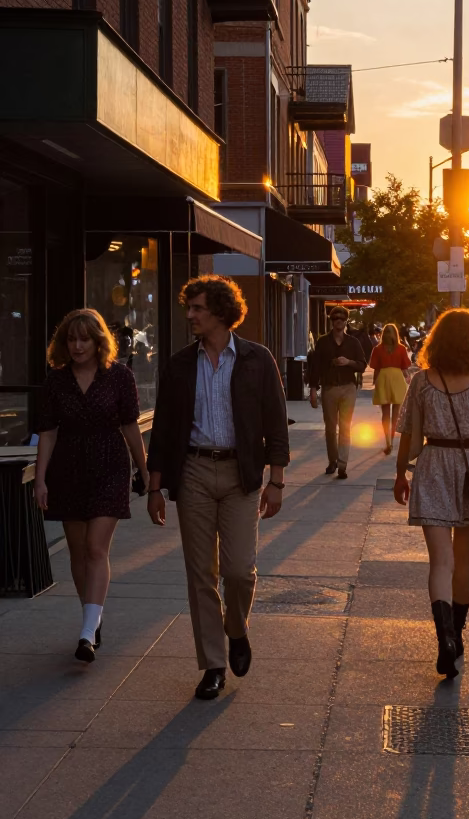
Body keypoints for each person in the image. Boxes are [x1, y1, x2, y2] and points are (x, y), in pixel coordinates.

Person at [146, 276, 290, 701]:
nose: (189, 315)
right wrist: (155, 488)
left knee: (239, 571)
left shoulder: (256, 360)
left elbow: (276, 424)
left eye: (198, 309)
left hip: (241, 474)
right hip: (192, 471)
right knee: (201, 575)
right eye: (188, 308)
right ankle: (212, 665)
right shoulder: (178, 365)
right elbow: (165, 431)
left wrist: (276, 481)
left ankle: (236, 630)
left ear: (222, 313)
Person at [393, 308, 469, 679]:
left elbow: (410, 437)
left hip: (432, 466)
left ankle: (443, 637)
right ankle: (457, 635)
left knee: (440, 563)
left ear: (437, 341)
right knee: (465, 560)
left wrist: (401, 473)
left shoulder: (421, 382)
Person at [34, 309, 146, 663]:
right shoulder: (56, 381)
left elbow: (131, 427)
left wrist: (145, 471)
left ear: (99, 342)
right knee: (78, 551)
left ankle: (86, 633)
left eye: (84, 339)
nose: (78, 345)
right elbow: (48, 434)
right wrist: (39, 480)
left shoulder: (119, 377)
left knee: (97, 548)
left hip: (110, 466)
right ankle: (92, 618)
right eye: (71, 339)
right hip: (67, 470)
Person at [308, 305, 366, 478]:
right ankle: (332, 460)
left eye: (341, 318)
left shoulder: (353, 343)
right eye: (335, 319)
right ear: (331, 321)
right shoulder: (323, 342)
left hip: (348, 387)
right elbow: (315, 367)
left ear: (346, 321)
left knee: (346, 426)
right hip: (329, 387)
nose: (338, 321)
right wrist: (313, 389)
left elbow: (362, 365)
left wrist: (348, 362)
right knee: (330, 428)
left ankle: (342, 464)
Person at [370, 323, 412, 454]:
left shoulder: (378, 349)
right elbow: (405, 368)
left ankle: (388, 441)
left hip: (383, 378)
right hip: (397, 379)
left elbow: (376, 368)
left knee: (385, 413)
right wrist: (408, 378)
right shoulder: (401, 349)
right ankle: (392, 440)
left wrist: (375, 382)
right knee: (396, 414)